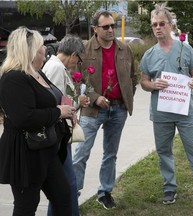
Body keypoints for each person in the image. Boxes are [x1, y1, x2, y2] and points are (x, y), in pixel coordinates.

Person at [140, 3, 193, 208]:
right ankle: (169, 187)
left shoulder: (185, 49)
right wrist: (153, 84)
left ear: (170, 25)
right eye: (154, 25)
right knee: (163, 151)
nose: (158, 27)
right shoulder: (149, 55)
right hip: (161, 113)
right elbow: (143, 82)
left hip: (184, 110)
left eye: (161, 23)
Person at [0, 27, 76, 215]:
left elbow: (48, 100)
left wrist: (68, 109)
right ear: (31, 50)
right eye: (42, 46)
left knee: (63, 195)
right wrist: (58, 112)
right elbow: (23, 118)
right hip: (25, 153)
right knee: (27, 205)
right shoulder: (13, 78)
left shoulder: (36, 72)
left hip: (46, 148)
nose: (46, 50)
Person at [72, 10, 137, 209]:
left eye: (113, 26)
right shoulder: (84, 50)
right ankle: (72, 194)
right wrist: (94, 97)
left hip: (118, 109)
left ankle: (105, 192)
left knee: (111, 153)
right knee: (81, 153)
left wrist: (126, 96)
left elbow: (133, 77)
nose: (111, 30)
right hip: (92, 111)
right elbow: (76, 80)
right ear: (95, 29)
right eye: (106, 26)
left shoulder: (125, 49)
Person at [42, 34, 90, 216]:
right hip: (58, 135)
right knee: (67, 183)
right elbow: (53, 103)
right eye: (78, 60)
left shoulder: (57, 67)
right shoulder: (55, 68)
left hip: (61, 133)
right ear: (74, 55)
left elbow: (62, 101)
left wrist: (77, 103)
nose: (76, 64)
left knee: (63, 185)